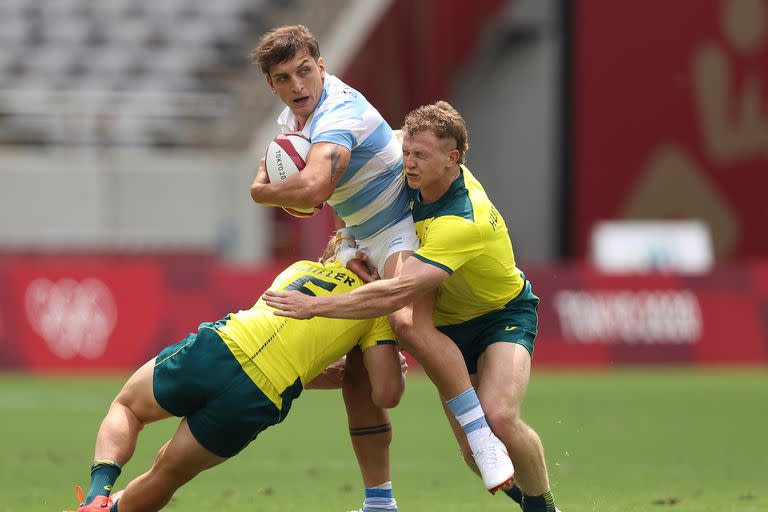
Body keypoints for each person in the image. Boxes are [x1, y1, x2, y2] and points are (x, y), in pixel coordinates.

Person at [249, 25, 514, 510]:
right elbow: (315, 204)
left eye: (305, 71)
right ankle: (380, 502)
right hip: (361, 234)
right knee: (382, 388)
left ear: (322, 66)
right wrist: (347, 243)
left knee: (408, 320)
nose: (298, 86)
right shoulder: (290, 125)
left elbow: (309, 192)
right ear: (272, 85)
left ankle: (483, 438)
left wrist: (262, 191)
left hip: (401, 224)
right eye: (284, 78)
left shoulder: (339, 113)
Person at [264, 101, 560, 512]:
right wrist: (349, 240)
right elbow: (359, 195)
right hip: (445, 327)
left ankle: (543, 508)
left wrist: (316, 306)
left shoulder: (462, 220)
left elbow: (395, 294)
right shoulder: (406, 167)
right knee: (474, 455)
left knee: (499, 417)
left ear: (452, 159)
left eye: (421, 156)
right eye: (407, 153)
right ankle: (530, 499)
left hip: (501, 316)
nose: (410, 163)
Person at [65, 251, 406, 512]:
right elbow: (386, 391)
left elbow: (273, 341)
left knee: (129, 407)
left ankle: (97, 497)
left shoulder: (301, 269)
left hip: (222, 348)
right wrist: (391, 361)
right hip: (259, 396)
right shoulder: (372, 312)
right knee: (167, 474)